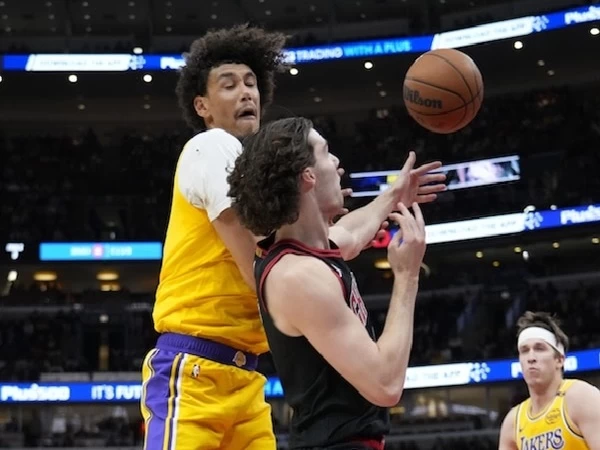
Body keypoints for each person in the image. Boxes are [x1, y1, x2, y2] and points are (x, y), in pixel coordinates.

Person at [227, 117, 444, 449]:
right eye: (326, 152)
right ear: (308, 177)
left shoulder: (307, 252)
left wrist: (393, 196)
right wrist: (407, 277)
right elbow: (385, 385)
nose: (336, 162)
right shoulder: (297, 277)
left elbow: (353, 234)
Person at [139, 25, 289, 450]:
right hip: (194, 368)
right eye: (229, 84)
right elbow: (261, 270)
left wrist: (386, 204)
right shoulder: (212, 145)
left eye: (251, 83)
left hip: (247, 377)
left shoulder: (253, 172)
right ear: (202, 105)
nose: (246, 93)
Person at [498, 311, 600, 450]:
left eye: (539, 348)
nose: (531, 357)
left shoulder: (581, 398)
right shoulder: (513, 422)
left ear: (559, 360)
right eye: (524, 350)